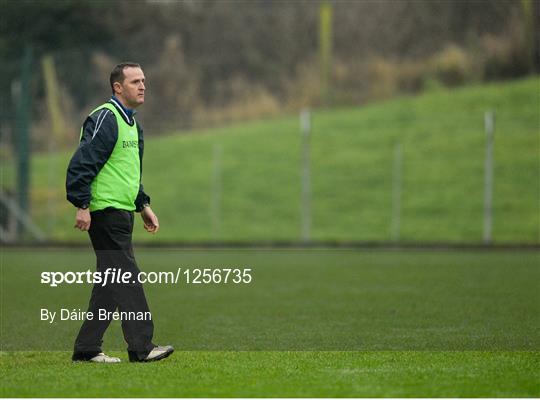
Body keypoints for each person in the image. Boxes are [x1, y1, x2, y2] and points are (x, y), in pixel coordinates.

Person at [66, 62, 173, 363]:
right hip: (105, 212)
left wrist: (143, 205)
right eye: (135, 81)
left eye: (144, 81)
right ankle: (142, 346)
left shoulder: (133, 124)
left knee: (109, 285)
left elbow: (129, 173)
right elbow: (82, 163)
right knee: (126, 277)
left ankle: (87, 348)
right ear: (117, 87)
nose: (142, 86)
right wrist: (82, 204)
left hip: (123, 212)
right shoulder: (106, 118)